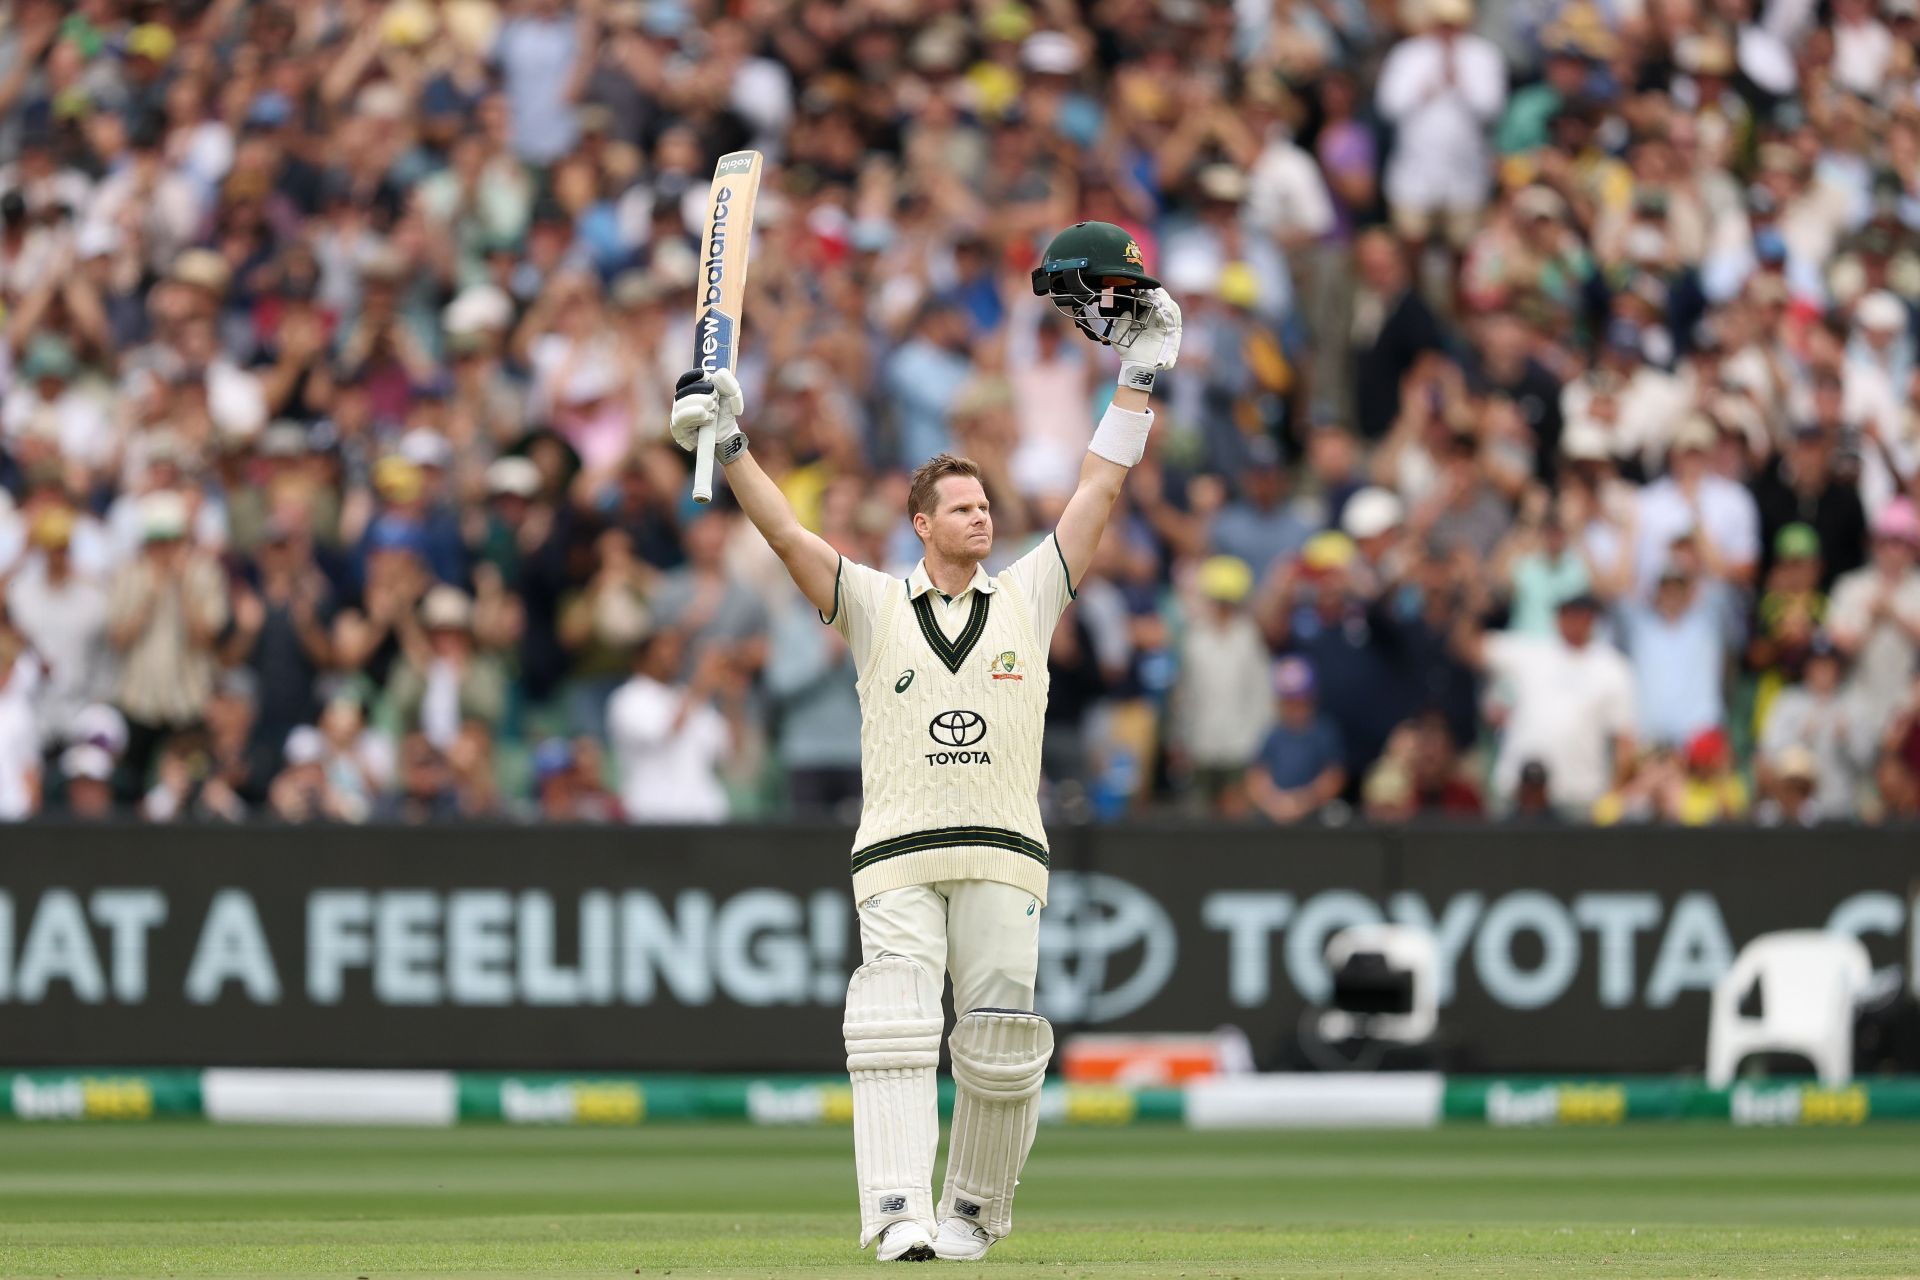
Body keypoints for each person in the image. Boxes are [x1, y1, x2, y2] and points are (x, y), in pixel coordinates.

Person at [667, 219, 1181, 1262]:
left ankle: (975, 1214)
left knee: (999, 1051)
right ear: (920, 522)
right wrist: (732, 444)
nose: (982, 516)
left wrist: (1139, 379)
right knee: (893, 1026)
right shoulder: (871, 605)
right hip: (898, 848)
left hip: (1002, 848)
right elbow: (785, 537)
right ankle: (897, 1209)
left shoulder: (1031, 596)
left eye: (986, 503)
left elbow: (1099, 493)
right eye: (960, 505)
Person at [1244, 657, 1346, 824]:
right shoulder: (1273, 733)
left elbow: (1334, 776)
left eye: (1300, 700)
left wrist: (1301, 802)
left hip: (1315, 819)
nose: (1295, 707)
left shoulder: (1323, 732)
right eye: (1289, 701)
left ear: (1312, 698)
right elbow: (1257, 775)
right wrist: (1274, 803)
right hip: (1274, 817)